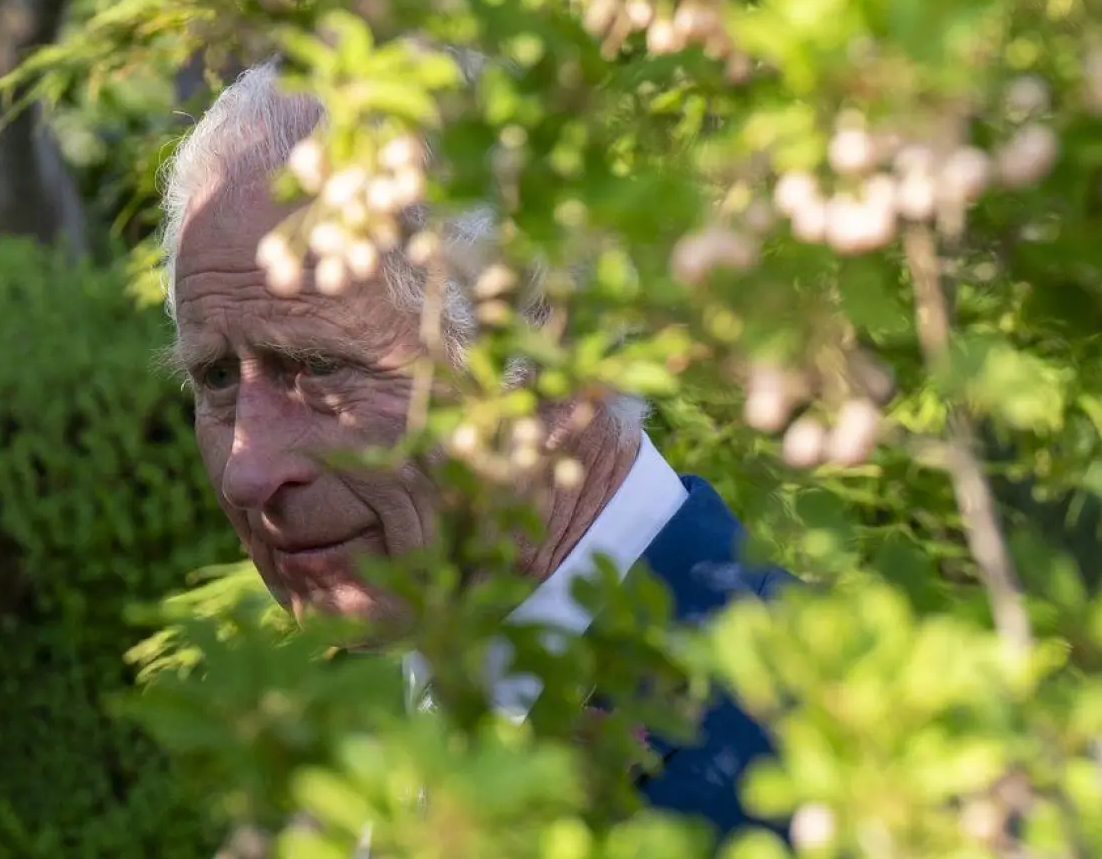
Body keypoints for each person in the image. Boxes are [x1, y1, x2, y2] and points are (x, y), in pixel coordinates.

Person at [156, 57, 794, 842]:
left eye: (318, 368)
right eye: (218, 376)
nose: (245, 469)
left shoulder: (795, 747)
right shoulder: (362, 738)